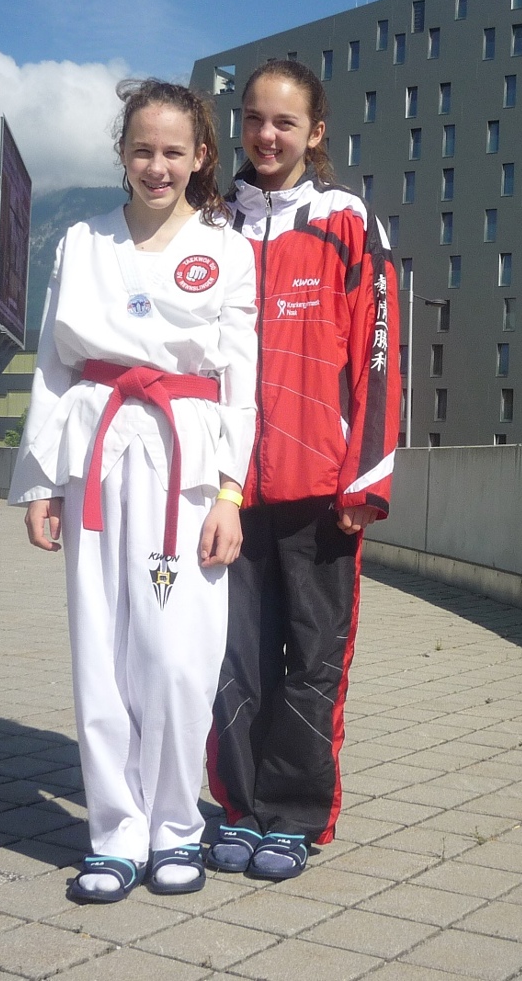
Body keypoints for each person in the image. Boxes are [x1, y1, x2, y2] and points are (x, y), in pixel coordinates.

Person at [9, 79, 257, 904]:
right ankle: (115, 832)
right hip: (98, 451)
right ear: (122, 152)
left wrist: (232, 492)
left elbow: (241, 381)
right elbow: (54, 366)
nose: (157, 166)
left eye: (173, 151)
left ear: (201, 156)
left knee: (178, 655)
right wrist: (41, 480)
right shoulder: (82, 241)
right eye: (142, 149)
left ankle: (176, 825)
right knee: (102, 648)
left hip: (187, 461)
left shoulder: (227, 249)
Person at [206, 58, 401, 880]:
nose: (266, 134)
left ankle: (293, 814)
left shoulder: (348, 222)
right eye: (254, 118)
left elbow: (380, 357)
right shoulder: (212, 222)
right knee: (234, 660)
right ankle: (240, 806)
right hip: (228, 488)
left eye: (284, 121)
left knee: (313, 661)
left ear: (315, 131)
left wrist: (367, 482)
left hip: (323, 491)